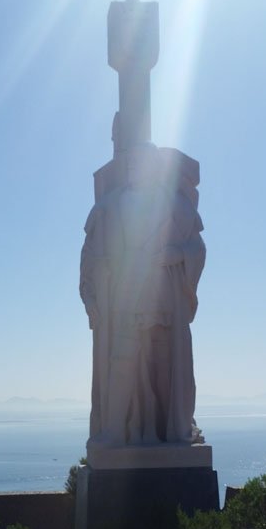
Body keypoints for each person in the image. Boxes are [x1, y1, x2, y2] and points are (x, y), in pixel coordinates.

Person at [80, 143, 205, 447]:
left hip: (161, 292)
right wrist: (91, 297)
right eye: (131, 162)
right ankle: (114, 430)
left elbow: (197, 248)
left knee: (162, 357)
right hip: (124, 291)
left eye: (141, 162)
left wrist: (179, 254)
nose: (134, 167)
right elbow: (90, 255)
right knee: (122, 357)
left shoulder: (176, 206)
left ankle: (164, 427)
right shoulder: (109, 206)